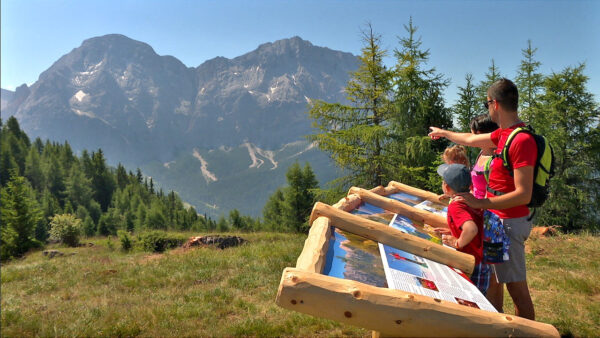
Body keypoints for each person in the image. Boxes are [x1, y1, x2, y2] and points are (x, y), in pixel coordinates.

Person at [428, 78, 537, 320]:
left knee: (516, 287)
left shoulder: (521, 140)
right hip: (497, 222)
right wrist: (444, 133)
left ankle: (531, 332)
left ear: (495, 104)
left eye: (487, 103)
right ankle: (497, 324)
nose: (488, 109)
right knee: (496, 280)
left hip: (508, 223)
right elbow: (468, 139)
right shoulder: (504, 135)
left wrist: (480, 203)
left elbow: (523, 193)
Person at [434, 163, 489, 295]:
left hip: (471, 263)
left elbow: (471, 229)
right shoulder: (471, 199)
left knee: (471, 301)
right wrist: (455, 232)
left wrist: (457, 242)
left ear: (446, 187)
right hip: (481, 260)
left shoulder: (456, 206)